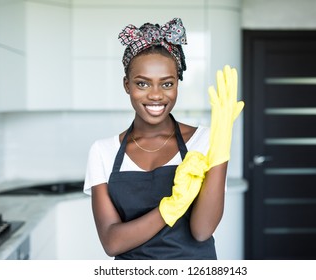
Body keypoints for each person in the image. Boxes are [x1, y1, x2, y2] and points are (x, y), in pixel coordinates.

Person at [83, 17, 244, 260]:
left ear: (177, 84)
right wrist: (170, 207)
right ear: (127, 85)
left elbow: (202, 231)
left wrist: (221, 146)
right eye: (142, 84)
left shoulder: (205, 141)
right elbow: (112, 242)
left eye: (167, 83)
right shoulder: (102, 151)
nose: (156, 95)